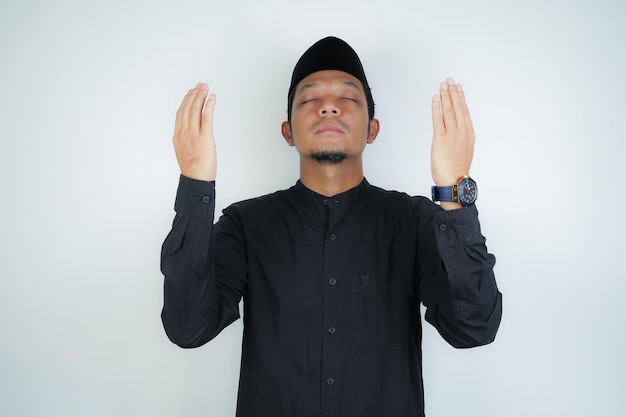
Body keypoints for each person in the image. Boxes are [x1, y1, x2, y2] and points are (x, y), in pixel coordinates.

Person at [160, 36, 502, 417]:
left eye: (348, 99)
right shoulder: (245, 226)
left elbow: (474, 328)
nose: (328, 107)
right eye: (309, 99)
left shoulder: (415, 221)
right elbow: (188, 327)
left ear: (372, 130)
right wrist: (195, 184)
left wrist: (454, 192)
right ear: (287, 132)